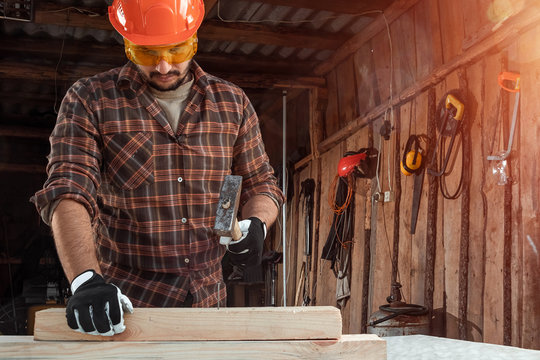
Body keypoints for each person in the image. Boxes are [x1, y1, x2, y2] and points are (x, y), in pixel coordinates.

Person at [31, 0, 284, 337]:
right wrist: (86, 279)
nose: (164, 67)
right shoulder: (90, 99)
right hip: (127, 309)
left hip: (208, 306)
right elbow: (68, 191)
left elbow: (260, 182)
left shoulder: (232, 102)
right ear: (128, 44)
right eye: (147, 53)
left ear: (194, 39)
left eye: (176, 50)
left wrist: (257, 224)